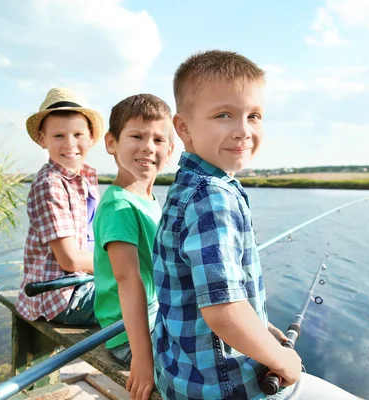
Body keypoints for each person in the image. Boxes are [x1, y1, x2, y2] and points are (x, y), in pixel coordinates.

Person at [151, 50, 302, 400]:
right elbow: (224, 311)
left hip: (180, 374)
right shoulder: (212, 197)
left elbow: (215, 291)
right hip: (220, 387)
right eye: (224, 115)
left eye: (254, 116)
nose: (243, 131)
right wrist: (281, 358)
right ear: (184, 128)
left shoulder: (188, 186)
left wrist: (261, 327)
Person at [93, 94, 174, 400]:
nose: (148, 147)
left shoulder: (149, 200)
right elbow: (128, 280)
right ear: (111, 143)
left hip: (157, 318)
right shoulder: (119, 207)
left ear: (171, 149)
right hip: (128, 336)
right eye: (137, 136)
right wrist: (142, 358)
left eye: (158, 139)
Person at [15, 87, 104, 325]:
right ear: (43, 140)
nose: (70, 144)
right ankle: (129, 357)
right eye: (58, 136)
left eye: (78, 134)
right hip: (60, 297)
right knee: (148, 300)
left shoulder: (84, 178)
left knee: (153, 291)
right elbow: (71, 261)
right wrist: (124, 265)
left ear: (91, 137)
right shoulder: (50, 184)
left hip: (84, 282)